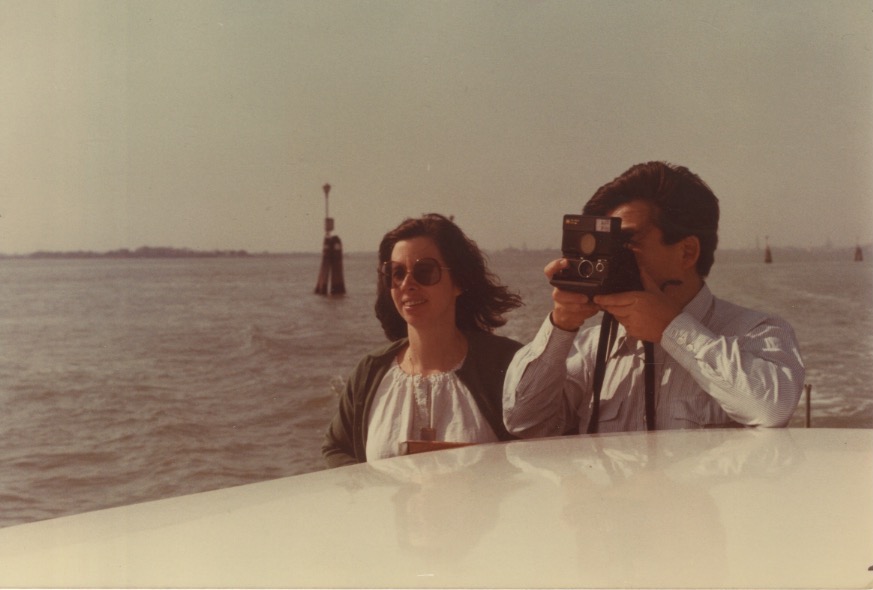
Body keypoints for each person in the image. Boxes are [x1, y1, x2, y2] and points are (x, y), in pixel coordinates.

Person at [503, 161, 805, 437]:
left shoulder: (757, 332)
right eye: (605, 244)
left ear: (687, 252)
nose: (612, 256)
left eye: (627, 242)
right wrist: (562, 326)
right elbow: (523, 422)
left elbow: (771, 409)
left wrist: (673, 330)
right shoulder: (591, 349)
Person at [323, 213, 523, 467]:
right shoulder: (370, 372)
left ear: (459, 281)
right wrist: (367, 494)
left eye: (424, 271)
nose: (407, 284)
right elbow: (336, 448)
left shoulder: (507, 365)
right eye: (396, 273)